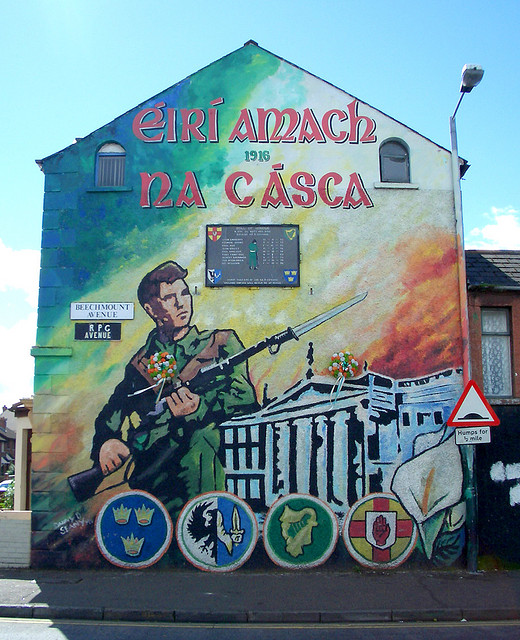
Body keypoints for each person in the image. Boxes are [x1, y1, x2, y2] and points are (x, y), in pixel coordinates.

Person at [90, 260, 259, 519]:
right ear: (151, 309)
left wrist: (199, 408)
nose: (182, 303)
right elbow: (112, 412)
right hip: (154, 483)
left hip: (207, 476)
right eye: (169, 298)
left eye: (184, 293)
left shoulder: (221, 344)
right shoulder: (140, 365)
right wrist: (106, 442)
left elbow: (244, 400)